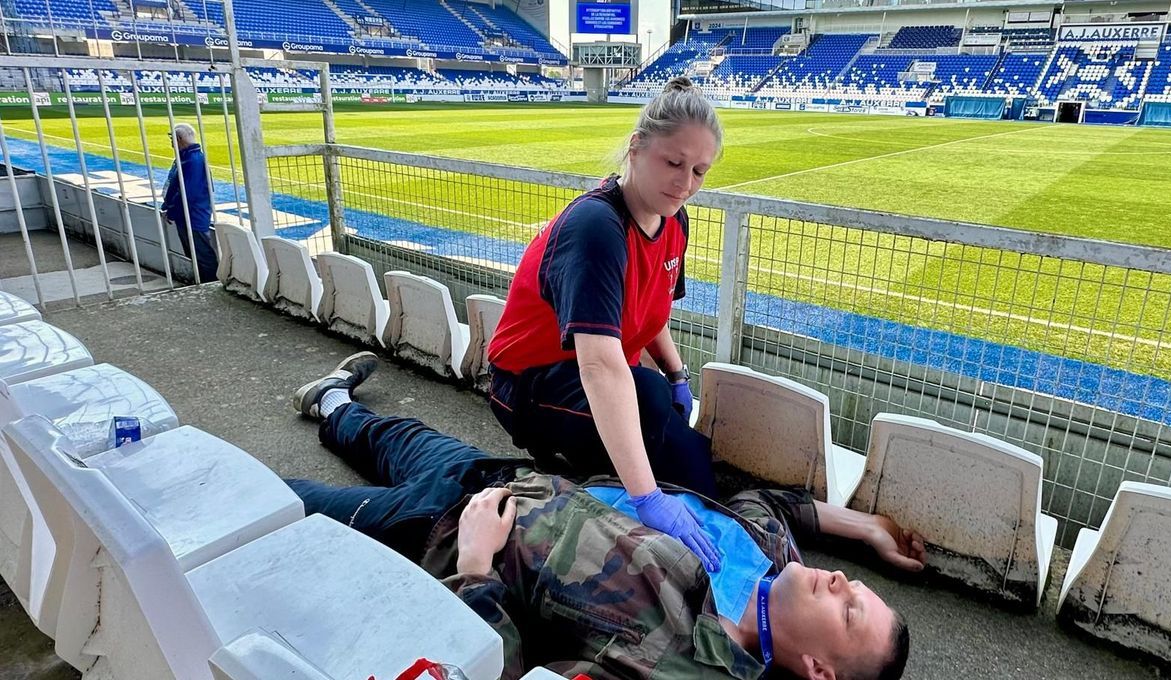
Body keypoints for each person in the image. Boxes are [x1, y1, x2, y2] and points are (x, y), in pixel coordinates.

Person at [287, 354, 927, 680]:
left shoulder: (681, 666)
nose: (839, 581)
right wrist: (867, 527)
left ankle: (325, 423)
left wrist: (477, 568)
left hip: (445, 533)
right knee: (400, 437)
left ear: (818, 671)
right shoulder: (770, 553)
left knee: (292, 509)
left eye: (848, 610)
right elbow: (779, 504)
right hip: (511, 480)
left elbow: (509, 670)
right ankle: (333, 404)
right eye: (854, 585)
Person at [486, 77, 724, 570]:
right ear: (636, 148)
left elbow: (652, 310)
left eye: (700, 171)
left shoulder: (673, 221)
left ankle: (617, 473)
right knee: (649, 404)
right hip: (527, 385)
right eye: (674, 163)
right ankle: (569, 474)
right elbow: (598, 366)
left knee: (699, 475)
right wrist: (647, 497)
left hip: (599, 379)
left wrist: (678, 376)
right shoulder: (596, 226)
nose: (685, 183)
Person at [160, 122, 218, 283]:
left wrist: (171, 211)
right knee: (195, 254)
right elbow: (176, 187)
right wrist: (168, 206)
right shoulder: (187, 158)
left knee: (202, 255)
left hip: (193, 216)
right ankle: (205, 283)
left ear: (179, 139)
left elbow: (189, 193)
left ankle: (210, 285)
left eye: (172, 140)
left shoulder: (192, 161)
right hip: (187, 215)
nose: (171, 144)